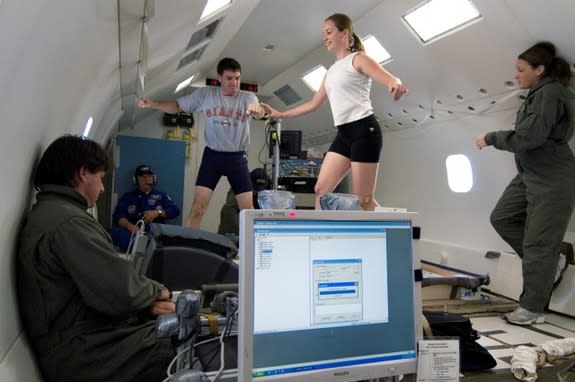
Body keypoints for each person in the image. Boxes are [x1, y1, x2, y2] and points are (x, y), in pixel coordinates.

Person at [17, 135, 176, 382]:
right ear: (83, 174)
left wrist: (145, 303)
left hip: (79, 339)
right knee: (187, 344)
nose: (102, 188)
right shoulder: (69, 223)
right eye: (100, 178)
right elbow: (119, 289)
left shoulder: (54, 214)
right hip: (85, 352)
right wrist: (157, 291)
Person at [261, 13, 408, 210]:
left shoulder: (359, 59)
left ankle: (394, 233)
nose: (325, 37)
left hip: (364, 131)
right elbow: (313, 103)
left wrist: (394, 85)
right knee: (321, 190)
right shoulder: (331, 71)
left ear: (344, 33)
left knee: (364, 201)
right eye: (324, 33)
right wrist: (280, 114)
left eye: (329, 32)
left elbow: (391, 79)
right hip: (344, 134)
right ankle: (321, 238)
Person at [475, 42, 575, 325]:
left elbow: (530, 137)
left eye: (521, 70)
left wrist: (492, 137)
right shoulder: (538, 93)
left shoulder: (551, 93)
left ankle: (532, 309)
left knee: (538, 243)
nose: (516, 75)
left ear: (540, 70)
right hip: (531, 173)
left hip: (553, 177)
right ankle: (551, 261)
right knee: (503, 217)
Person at [138, 57, 266, 228]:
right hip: (212, 157)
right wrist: (153, 104)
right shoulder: (206, 94)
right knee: (198, 208)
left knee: (247, 211)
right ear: (219, 78)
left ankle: (255, 251)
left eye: (237, 78)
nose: (234, 83)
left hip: (236, 158)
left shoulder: (247, 97)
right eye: (229, 78)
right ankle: (189, 248)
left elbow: (258, 112)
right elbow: (177, 106)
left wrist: (257, 111)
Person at [111, 164, 180, 252]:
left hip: (155, 236)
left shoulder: (161, 196)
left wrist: (157, 212)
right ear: (136, 179)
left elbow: (175, 210)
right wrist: (130, 227)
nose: (146, 179)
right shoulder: (128, 197)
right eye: (143, 177)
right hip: (134, 235)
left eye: (149, 176)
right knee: (115, 233)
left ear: (153, 178)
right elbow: (118, 216)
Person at [218, 167, 269, 236]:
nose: (256, 192)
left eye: (259, 190)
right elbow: (230, 213)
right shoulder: (239, 188)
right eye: (254, 188)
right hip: (233, 233)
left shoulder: (266, 193)